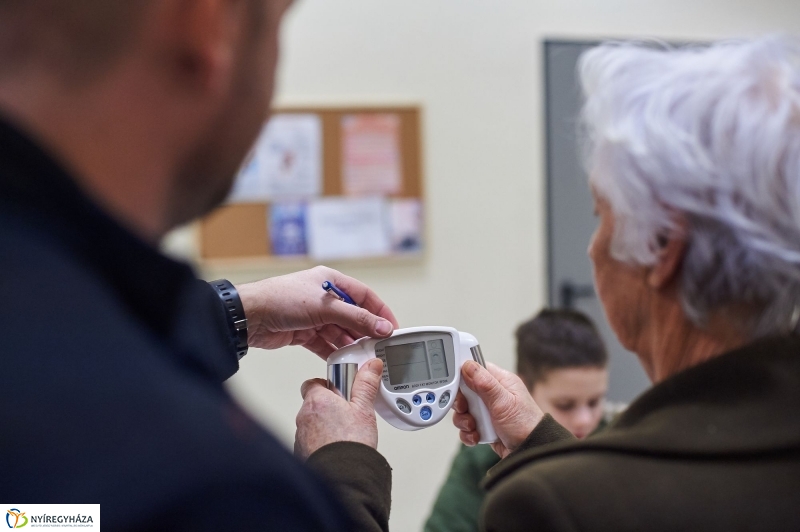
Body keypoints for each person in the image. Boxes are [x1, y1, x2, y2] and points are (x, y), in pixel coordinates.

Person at [296, 36, 800, 531]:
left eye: (602, 217)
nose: (593, 248)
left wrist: (342, 472)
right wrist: (541, 444)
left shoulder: (552, 506)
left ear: (664, 245)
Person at [0, 1, 398, 529]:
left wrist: (236, 312)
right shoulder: (212, 488)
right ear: (208, 26)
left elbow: (31, 518)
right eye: (276, 24)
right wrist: (345, 473)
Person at [424, 309, 610, 532]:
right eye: (565, 405)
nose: (584, 420)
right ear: (522, 389)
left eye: (594, 402)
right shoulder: (481, 457)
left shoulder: (617, 447)